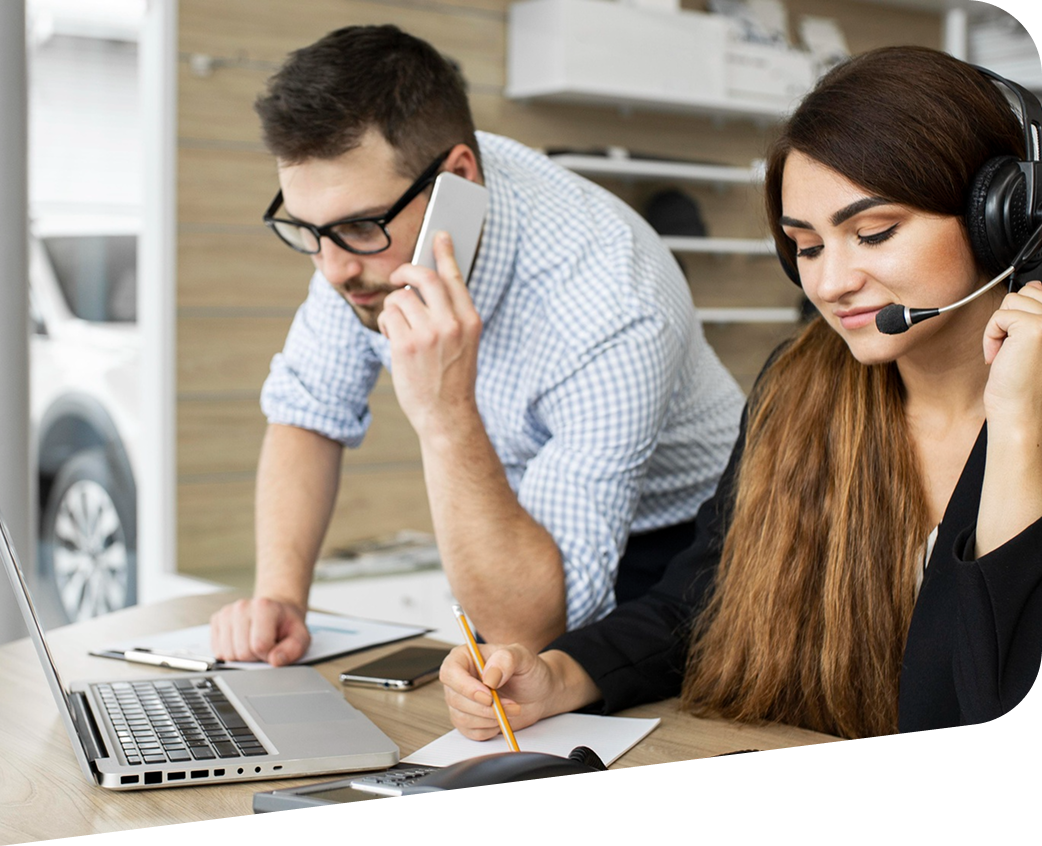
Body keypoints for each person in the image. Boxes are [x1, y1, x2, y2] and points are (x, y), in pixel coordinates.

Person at [441, 45, 1042, 740]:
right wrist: (560, 675)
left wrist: (1017, 428)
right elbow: (698, 601)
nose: (830, 283)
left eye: (873, 234)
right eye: (807, 246)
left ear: (1003, 215)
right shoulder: (801, 389)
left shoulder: (1026, 423)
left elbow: (993, 690)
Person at [208, 25, 744, 664]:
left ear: (457, 180)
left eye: (358, 227)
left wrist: (444, 413)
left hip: (691, 539)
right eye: (309, 231)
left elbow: (531, 630)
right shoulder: (360, 248)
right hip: (523, 522)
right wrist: (280, 597)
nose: (332, 270)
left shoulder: (612, 299)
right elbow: (308, 411)